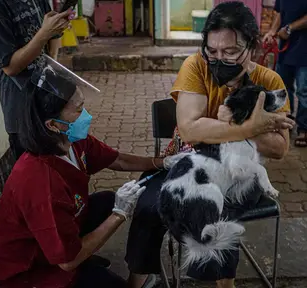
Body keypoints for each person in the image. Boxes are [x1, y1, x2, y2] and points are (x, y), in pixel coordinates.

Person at [125, 2, 295, 288]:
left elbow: (279, 148)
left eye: (230, 52)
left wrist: (228, 124)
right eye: (212, 51)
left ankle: (223, 284)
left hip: (235, 172)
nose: (218, 59)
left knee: (216, 215)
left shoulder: (269, 80)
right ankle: (137, 279)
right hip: (186, 163)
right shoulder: (196, 66)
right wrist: (250, 126)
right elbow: (191, 130)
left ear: (252, 48)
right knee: (147, 204)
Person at [0, 71, 180, 288]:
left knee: (107, 200)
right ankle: (81, 262)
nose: (87, 115)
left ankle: (84, 258)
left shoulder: (71, 141)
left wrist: (160, 162)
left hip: (54, 241)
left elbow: (118, 160)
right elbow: (67, 262)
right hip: (31, 271)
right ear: (53, 124)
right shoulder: (41, 182)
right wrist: (119, 215)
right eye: (79, 110)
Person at [0, 0, 72, 160]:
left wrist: (51, 65)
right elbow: (11, 67)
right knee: (33, 171)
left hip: (48, 96)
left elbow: (53, 34)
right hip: (22, 105)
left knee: (58, 164)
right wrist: (44, 33)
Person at [263, 0, 307, 147]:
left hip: (305, 50)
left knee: (304, 91)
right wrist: (272, 32)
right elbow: (280, 14)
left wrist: (290, 28)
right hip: (286, 50)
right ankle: (286, 121)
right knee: (281, 87)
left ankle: (304, 128)